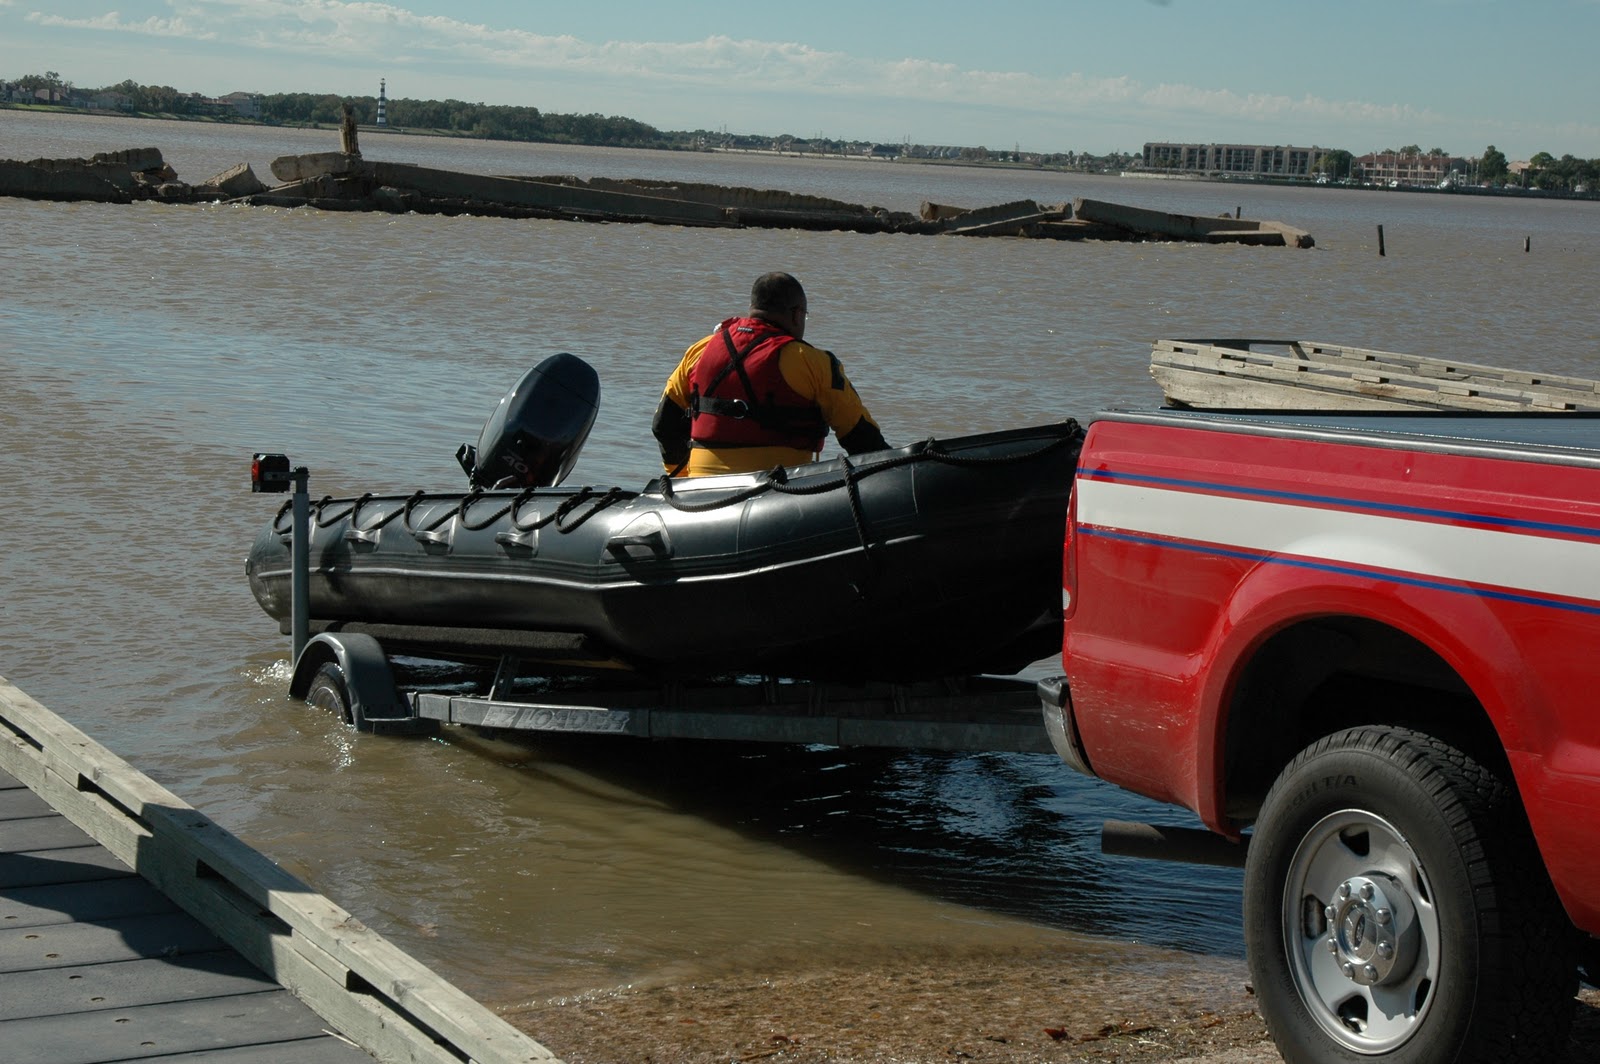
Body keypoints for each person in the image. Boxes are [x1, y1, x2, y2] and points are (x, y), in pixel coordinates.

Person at [652, 272, 888, 477]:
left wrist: (682, 479)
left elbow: (664, 425)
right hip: (779, 493)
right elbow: (861, 436)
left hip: (701, 491)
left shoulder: (699, 351)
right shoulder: (813, 362)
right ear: (796, 314)